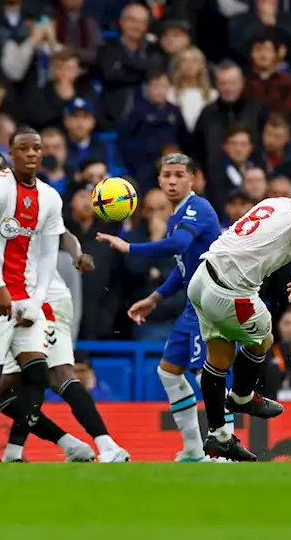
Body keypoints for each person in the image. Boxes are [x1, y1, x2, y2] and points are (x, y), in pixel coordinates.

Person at [0, 153, 127, 463]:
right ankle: (58, 445)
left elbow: (64, 234)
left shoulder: (32, 201)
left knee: (56, 372)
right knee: (4, 390)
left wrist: (78, 253)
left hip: (44, 296)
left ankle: (106, 445)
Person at [188, 183, 291, 461]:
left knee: (219, 357)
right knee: (264, 338)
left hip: (201, 279)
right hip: (231, 289)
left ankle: (219, 436)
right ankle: (242, 397)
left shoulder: (277, 202)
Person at [107, 154, 229, 462]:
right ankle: (193, 449)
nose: (172, 181)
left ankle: (225, 446)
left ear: (192, 178)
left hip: (210, 304)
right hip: (193, 304)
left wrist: (129, 247)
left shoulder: (197, 208)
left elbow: (175, 246)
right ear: (159, 181)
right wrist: (155, 298)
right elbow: (183, 266)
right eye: (167, 176)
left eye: (178, 175)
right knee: (169, 373)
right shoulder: (176, 216)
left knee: (206, 377)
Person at [0, 128, 63, 463]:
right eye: (24, 148)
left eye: (37, 148)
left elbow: (49, 253)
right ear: (11, 153)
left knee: (37, 373)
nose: (31, 154)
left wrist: (37, 298)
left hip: (26, 295)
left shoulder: (50, 197)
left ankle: (15, 451)